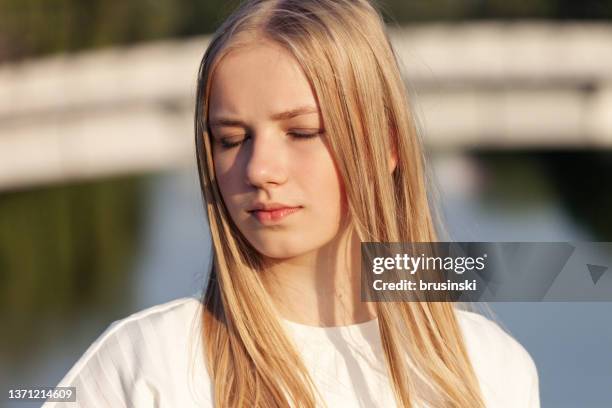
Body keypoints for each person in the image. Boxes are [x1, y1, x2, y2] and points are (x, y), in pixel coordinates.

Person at [44, 0, 540, 407]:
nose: (260, 170)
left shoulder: (490, 369)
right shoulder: (144, 365)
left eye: (302, 132)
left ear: (386, 145)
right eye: (231, 139)